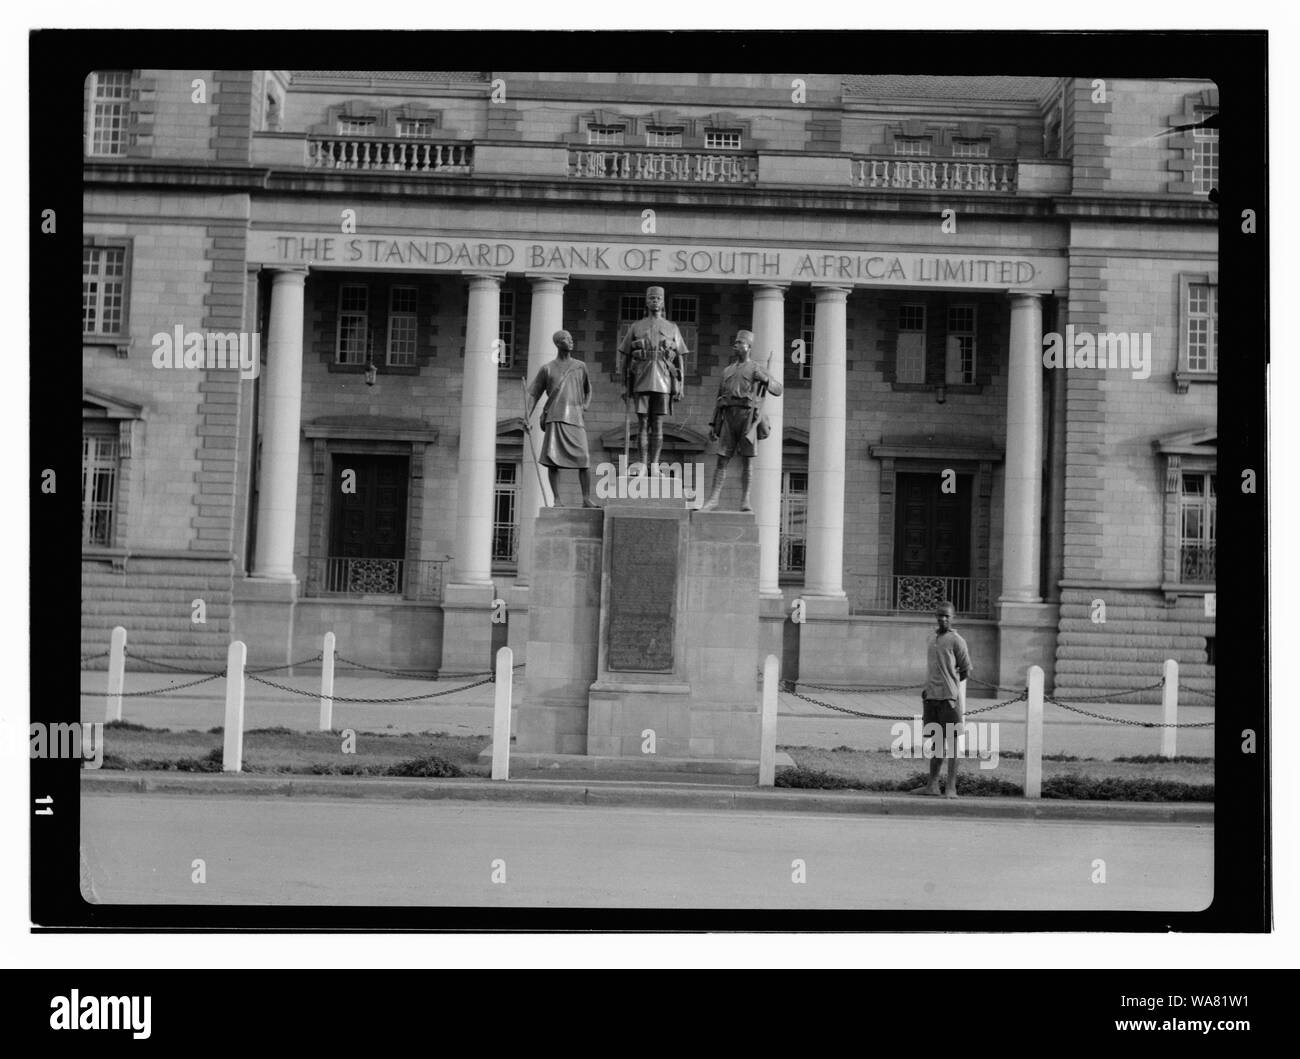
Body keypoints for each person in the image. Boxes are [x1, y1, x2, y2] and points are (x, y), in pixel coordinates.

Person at [701, 329, 783, 512]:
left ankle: (745, 501)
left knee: (747, 460)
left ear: (749, 347)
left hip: (747, 417)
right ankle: (713, 499)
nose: (735, 346)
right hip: (729, 416)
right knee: (722, 459)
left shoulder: (755, 368)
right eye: (735, 343)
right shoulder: (727, 370)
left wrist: (766, 380)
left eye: (739, 343)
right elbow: (719, 398)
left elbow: (778, 389)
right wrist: (715, 424)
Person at [617, 285, 685, 473]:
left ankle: (654, 464)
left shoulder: (672, 327)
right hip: (641, 376)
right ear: (646, 302)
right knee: (643, 423)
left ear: (663, 302)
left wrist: (680, 385)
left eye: (658, 299)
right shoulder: (636, 327)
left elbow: (679, 358)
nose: (655, 301)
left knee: (658, 423)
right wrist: (624, 385)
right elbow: (625, 356)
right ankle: (642, 462)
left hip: (664, 377)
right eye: (652, 298)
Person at [526, 329, 597, 508]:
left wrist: (585, 406)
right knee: (553, 460)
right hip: (555, 417)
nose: (571, 341)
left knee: (584, 459)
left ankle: (586, 498)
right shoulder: (547, 369)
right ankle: (557, 499)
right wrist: (527, 415)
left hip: (575, 418)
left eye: (571, 338)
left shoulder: (580, 366)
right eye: (567, 339)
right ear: (558, 343)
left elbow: (588, 389)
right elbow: (534, 394)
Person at [917, 601, 973, 798]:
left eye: (947, 616)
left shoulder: (957, 640)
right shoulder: (931, 638)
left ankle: (951, 787)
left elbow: (965, 670)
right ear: (936, 616)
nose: (943, 619)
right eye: (940, 615)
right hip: (931, 698)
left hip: (949, 700)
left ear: (952, 618)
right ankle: (932, 786)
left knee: (953, 744)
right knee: (936, 744)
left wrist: (951, 687)